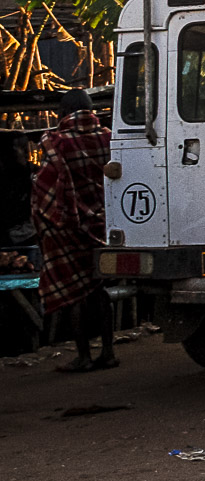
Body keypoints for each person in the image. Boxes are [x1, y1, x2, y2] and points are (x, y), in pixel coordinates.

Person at [33, 89, 114, 372]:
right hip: (103, 223)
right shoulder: (108, 137)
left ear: (63, 113)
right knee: (99, 287)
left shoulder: (58, 143)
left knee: (75, 291)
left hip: (69, 226)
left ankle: (83, 356)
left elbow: (45, 188)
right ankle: (108, 351)